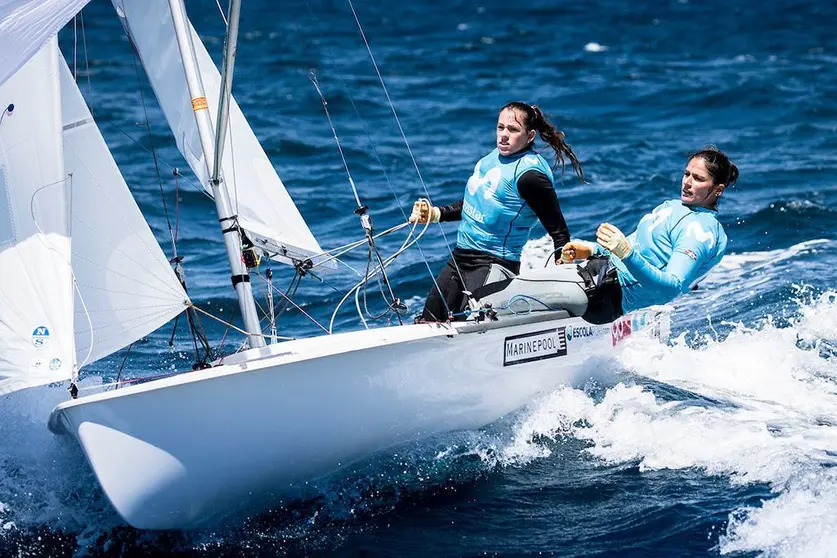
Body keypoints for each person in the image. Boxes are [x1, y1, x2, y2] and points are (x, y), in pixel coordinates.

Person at [514, 145, 737, 324]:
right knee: (517, 286)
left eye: (698, 179)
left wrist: (626, 254)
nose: (687, 182)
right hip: (598, 275)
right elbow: (637, 245)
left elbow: (670, 287)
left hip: (607, 296)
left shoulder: (700, 231)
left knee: (513, 293)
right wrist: (592, 249)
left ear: (718, 189)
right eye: (687, 174)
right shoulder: (673, 206)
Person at [410, 101, 586, 321]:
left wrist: (565, 276)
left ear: (530, 136)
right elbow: (477, 202)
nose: (503, 135)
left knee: (469, 327)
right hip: (460, 258)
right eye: (500, 127)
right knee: (427, 322)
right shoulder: (494, 158)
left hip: (494, 266)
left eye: (513, 130)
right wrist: (437, 214)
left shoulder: (530, 176)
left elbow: (559, 233)